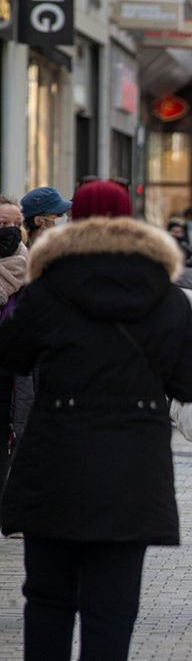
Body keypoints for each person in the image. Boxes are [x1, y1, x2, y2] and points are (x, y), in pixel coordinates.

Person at [0, 180, 192, 661]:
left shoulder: (46, 288)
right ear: (129, 221)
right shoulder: (166, 298)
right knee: (112, 611)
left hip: (55, 464)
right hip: (131, 473)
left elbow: (10, 354)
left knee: (48, 602)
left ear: (73, 223)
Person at [0, 196, 29, 500]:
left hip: (13, 376)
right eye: (2, 224)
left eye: (15, 224)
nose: (10, 230)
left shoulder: (31, 266)